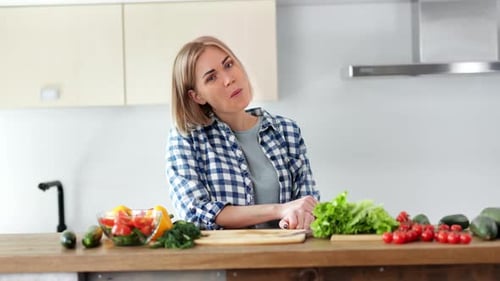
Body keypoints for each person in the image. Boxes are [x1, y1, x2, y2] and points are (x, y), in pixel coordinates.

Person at [166, 35, 320, 230]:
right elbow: (195, 210)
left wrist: (295, 218)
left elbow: (307, 203)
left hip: (285, 255)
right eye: (212, 77)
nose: (229, 79)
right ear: (196, 96)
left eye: (229, 65)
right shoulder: (187, 138)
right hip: (224, 259)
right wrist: (278, 210)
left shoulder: (286, 131)